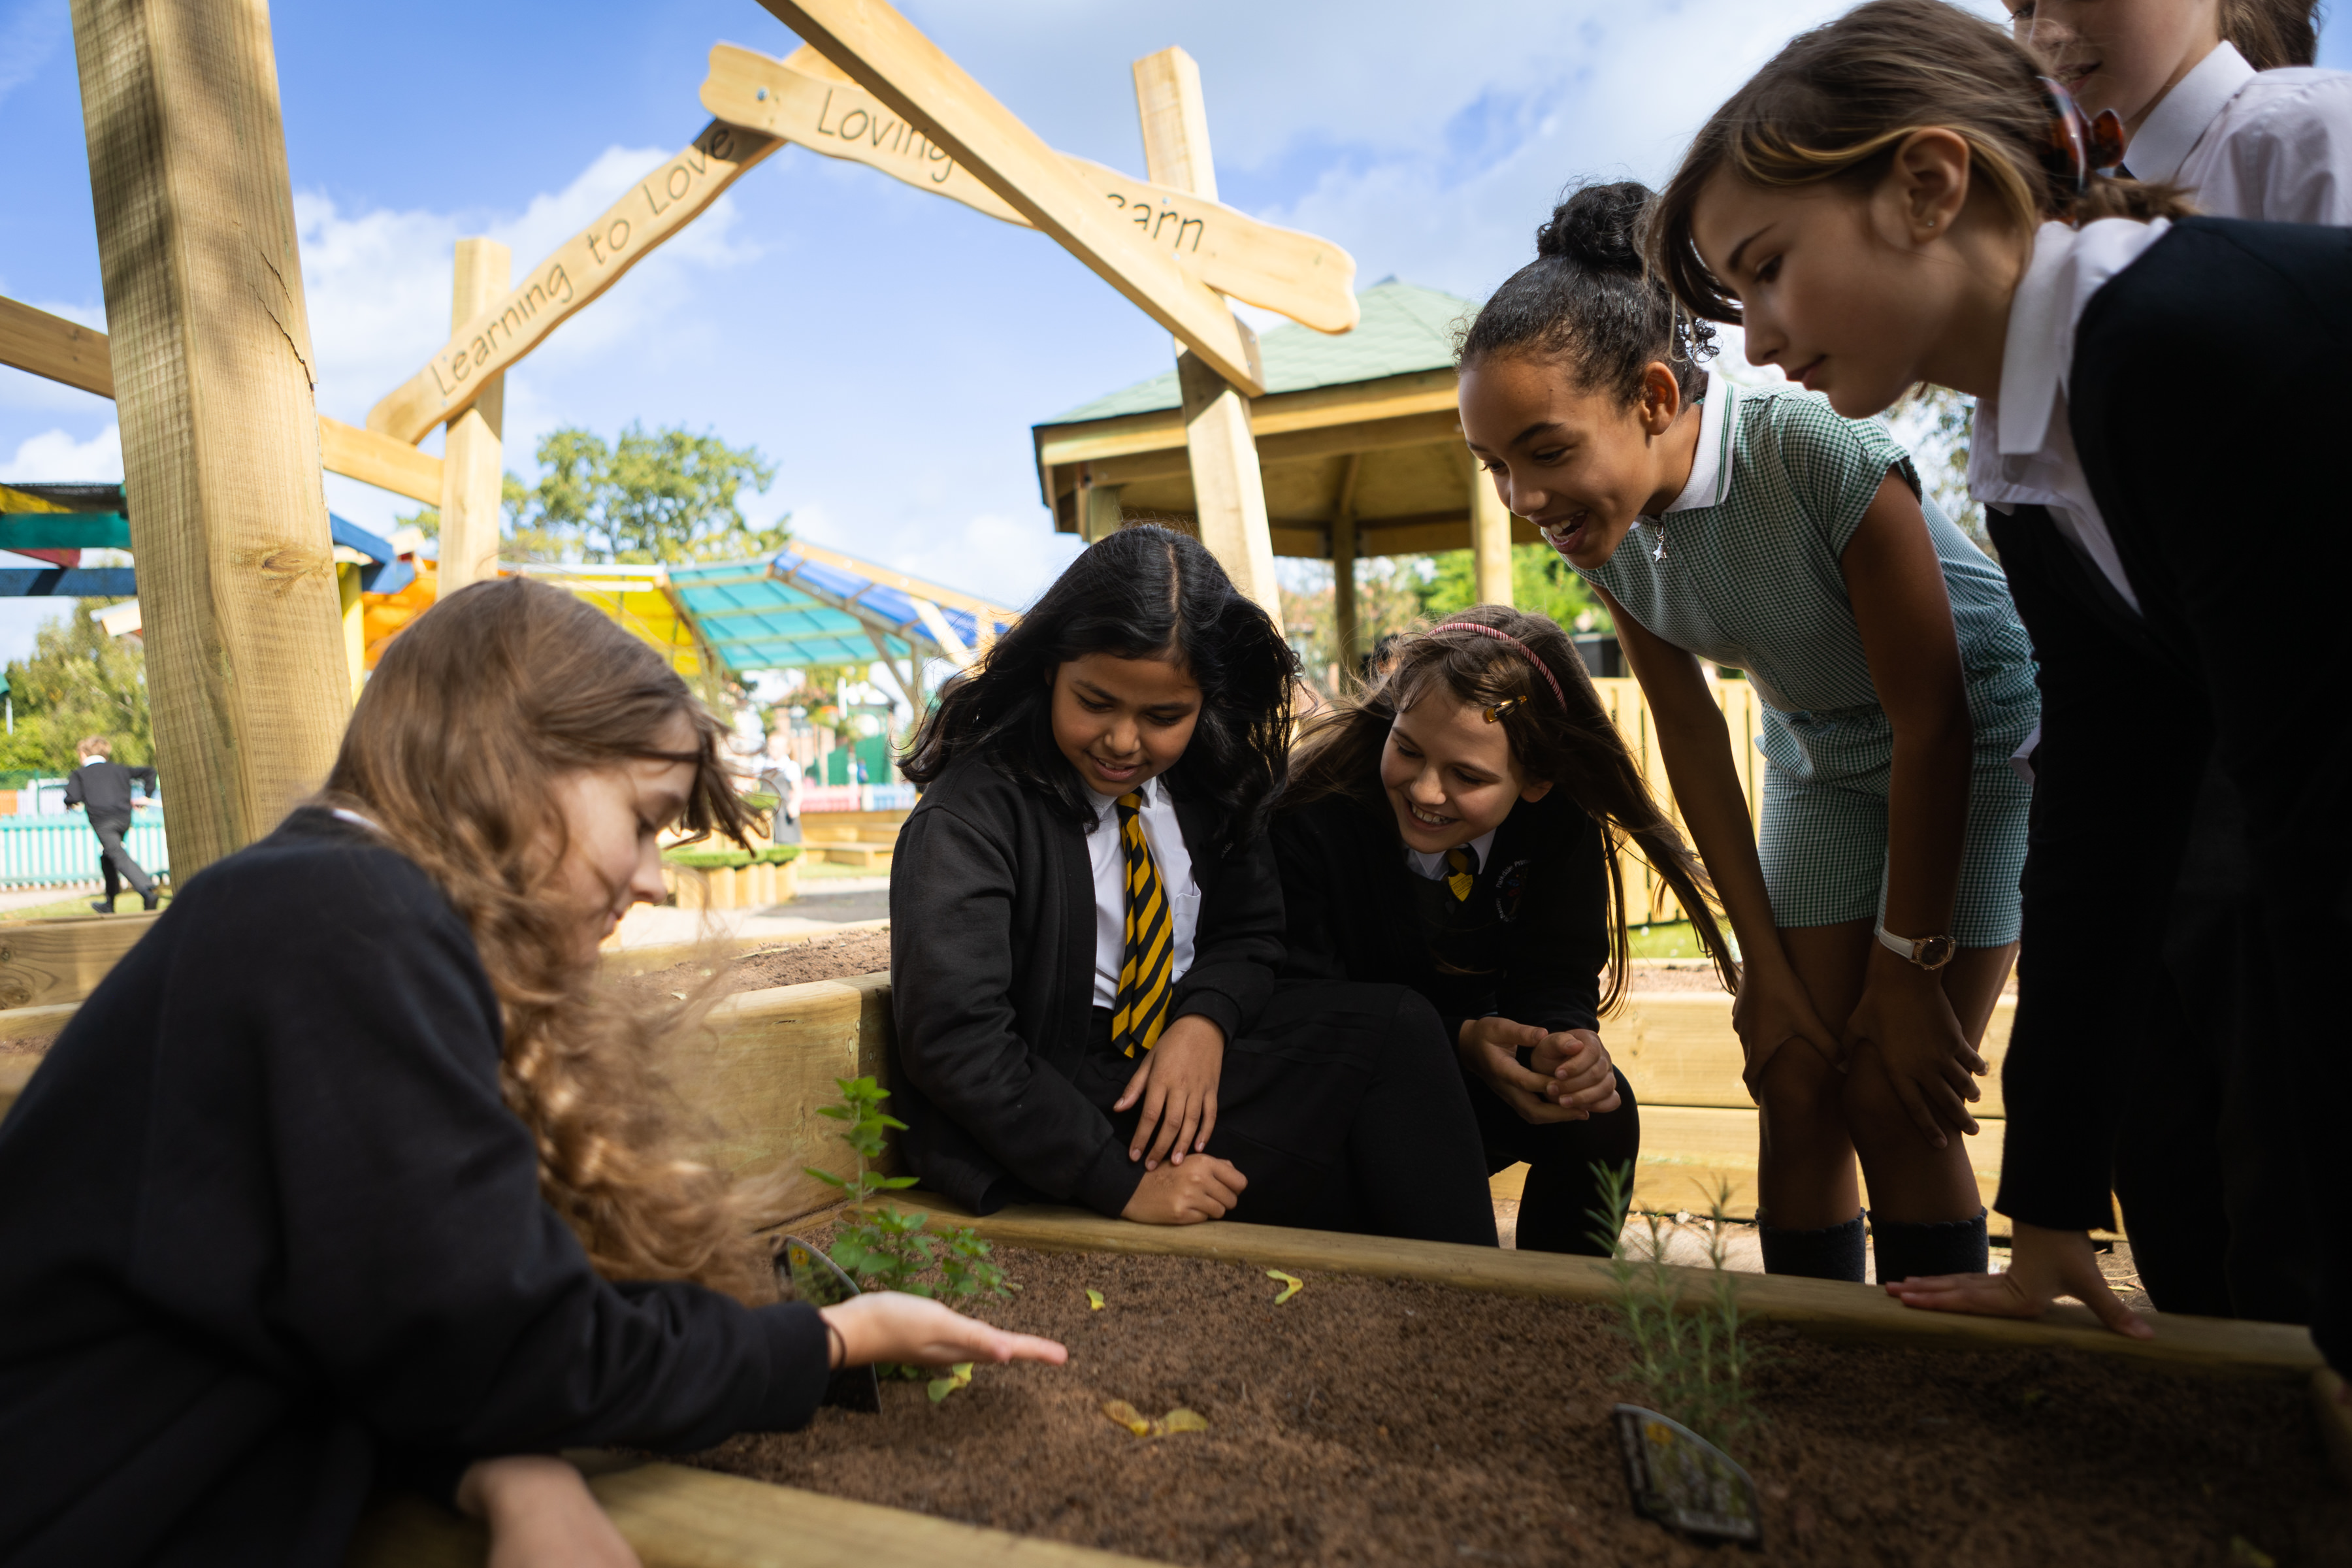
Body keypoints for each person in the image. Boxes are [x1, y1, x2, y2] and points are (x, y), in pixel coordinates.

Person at [0, 578, 1066, 1568]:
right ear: (513, 762)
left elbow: (369, 1315)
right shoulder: (349, 922)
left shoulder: (316, 899)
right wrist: (830, 1339)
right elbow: (506, 1338)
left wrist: (494, 1459)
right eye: (644, 822)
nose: (654, 879)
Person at [1647, 0, 2350, 1371]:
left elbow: (2324, 839)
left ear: (1926, 182)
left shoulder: (2185, 341)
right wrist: (2050, 1217)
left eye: (1772, 267)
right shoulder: (2033, 466)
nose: (1764, 339)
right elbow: (2104, 823)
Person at [1454, 182, 2038, 1287]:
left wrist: (1911, 976)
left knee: (1888, 1084)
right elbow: (1690, 733)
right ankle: (1805, 1368)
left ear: (1654, 394)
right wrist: (1757, 971)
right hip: (1818, 754)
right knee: (1797, 1074)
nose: (1524, 497)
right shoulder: (1604, 527)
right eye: (1497, 469)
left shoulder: (1817, 457)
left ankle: (1939, 1375)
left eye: (1542, 450)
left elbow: (1938, 720)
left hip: (1973, 747)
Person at [1989, 0, 2349, 1322]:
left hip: (2287, 749)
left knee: (2294, 1173)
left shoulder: (2304, 135)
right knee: (2177, 1160)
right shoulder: (2046, 272)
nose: (2048, 25)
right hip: (2163, 768)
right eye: (2017, 0)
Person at [889, 524, 1497, 1243]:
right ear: (1051, 667)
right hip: (1051, 1091)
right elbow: (957, 1042)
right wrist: (1120, 1186)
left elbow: (1250, 932)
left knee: (1397, 1028)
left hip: (1177, 1053)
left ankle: (1488, 1294)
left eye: (1163, 716)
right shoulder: (971, 816)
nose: (1123, 741)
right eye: (1096, 702)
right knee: (1352, 1180)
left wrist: (1203, 1022)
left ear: (1207, 701)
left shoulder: (1207, 781)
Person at [1274, 608, 1738, 1254]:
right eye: (1407, 748)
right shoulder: (1313, 815)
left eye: (1468, 777)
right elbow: (1298, 997)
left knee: (1598, 1112)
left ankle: (1563, 1309)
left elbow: (1556, 970)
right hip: (1333, 1097)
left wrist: (1560, 1044)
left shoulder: (1561, 826)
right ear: (1393, 716)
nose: (1426, 790)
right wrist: (1457, 1041)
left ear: (1538, 780)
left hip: (1465, 1071)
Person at [62, 736, 159, 914]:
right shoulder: (119, 769)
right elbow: (149, 772)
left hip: (102, 820)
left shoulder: (80, 773)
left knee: (116, 853)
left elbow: (73, 797)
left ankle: (147, 891)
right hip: (124, 819)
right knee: (108, 856)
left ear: (83, 754)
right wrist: (147, 795)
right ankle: (109, 903)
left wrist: (68, 802)